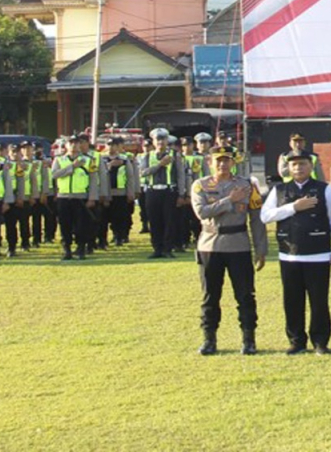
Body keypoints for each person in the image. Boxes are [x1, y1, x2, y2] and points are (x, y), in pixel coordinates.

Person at [260, 150, 331, 355]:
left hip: (318, 254)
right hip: (289, 254)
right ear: (288, 168)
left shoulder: (324, 189)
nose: (298, 168)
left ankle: (320, 341)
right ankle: (296, 341)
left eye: (303, 163)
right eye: (294, 164)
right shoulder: (279, 190)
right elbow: (265, 216)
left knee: (319, 301)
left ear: (311, 166)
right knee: (292, 300)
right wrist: (293, 207)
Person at [191, 147, 267, 356]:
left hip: (239, 245)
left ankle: (248, 339)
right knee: (210, 296)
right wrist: (229, 201)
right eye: (218, 160)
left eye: (227, 160)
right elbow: (202, 212)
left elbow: (257, 219)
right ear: (210, 162)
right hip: (210, 245)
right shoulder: (200, 185)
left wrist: (260, 249)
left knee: (245, 295)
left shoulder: (247, 186)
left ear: (233, 163)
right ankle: (209, 339)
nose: (222, 164)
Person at [139, 128, 187, 258]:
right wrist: (160, 164)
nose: (160, 142)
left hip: (169, 191)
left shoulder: (175, 155)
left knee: (169, 221)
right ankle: (157, 248)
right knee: (154, 221)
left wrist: (182, 194)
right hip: (152, 191)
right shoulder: (148, 156)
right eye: (157, 140)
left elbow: (181, 175)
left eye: (163, 139)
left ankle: (167, 249)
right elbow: (143, 173)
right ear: (153, 141)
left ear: (167, 140)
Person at [51, 135, 99, 261]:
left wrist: (92, 198)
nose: (73, 146)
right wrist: (72, 167)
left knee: (81, 225)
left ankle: (81, 248)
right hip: (64, 197)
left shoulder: (88, 160)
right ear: (66, 145)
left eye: (76, 143)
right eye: (70, 143)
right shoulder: (59, 160)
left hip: (80, 197)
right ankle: (67, 249)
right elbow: (55, 175)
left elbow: (93, 180)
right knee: (65, 225)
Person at [99, 137, 139, 247]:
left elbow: (130, 176)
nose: (111, 148)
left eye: (114, 145)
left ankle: (119, 237)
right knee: (103, 219)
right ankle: (102, 240)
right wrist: (110, 165)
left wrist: (131, 192)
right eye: (109, 145)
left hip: (120, 193)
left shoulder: (125, 159)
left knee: (119, 217)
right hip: (105, 192)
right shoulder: (101, 159)